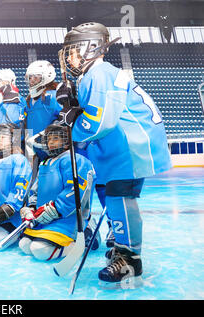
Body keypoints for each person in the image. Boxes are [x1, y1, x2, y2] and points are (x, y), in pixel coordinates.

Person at [56, 22, 172, 286]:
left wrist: (71, 126)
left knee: (119, 194)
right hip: (116, 145)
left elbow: (100, 123)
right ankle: (120, 242)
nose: (69, 56)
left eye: (73, 50)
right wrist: (73, 106)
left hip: (131, 145)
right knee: (104, 188)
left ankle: (131, 258)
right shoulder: (91, 75)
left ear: (91, 47)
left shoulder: (100, 74)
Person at [19, 124, 99, 261]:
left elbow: (75, 191)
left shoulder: (76, 160)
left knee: (40, 250)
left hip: (67, 219)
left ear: (67, 141)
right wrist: (31, 208)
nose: (51, 143)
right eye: (49, 140)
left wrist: (55, 209)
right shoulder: (45, 163)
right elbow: (36, 190)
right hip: (43, 219)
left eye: (55, 139)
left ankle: (87, 234)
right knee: (25, 245)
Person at [23, 60, 63, 162]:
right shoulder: (29, 101)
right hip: (37, 153)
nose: (31, 81)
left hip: (55, 152)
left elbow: (65, 121)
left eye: (35, 77)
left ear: (46, 76)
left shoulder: (54, 97)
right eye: (30, 78)